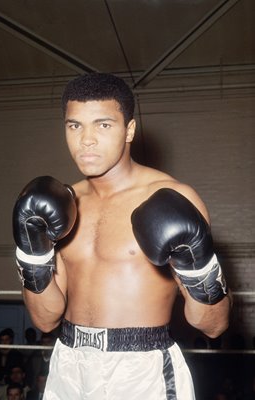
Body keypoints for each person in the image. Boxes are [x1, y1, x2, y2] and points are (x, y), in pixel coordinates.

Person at [12, 72, 232, 399]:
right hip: (68, 363)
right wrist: (31, 253)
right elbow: (45, 320)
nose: (86, 140)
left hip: (141, 369)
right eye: (75, 125)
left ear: (129, 129)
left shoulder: (172, 197)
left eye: (103, 125)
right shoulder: (62, 203)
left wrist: (197, 266)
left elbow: (214, 325)